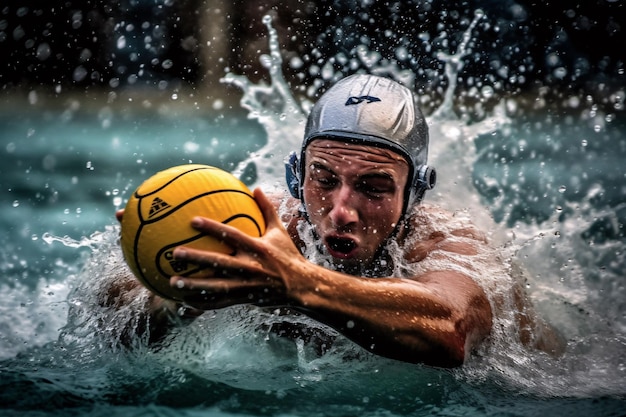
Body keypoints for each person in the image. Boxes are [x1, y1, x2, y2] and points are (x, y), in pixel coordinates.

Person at [105, 74, 564, 367]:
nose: (341, 210)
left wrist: (300, 285)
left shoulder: (449, 246)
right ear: (295, 175)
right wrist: (176, 294)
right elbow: (109, 316)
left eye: (374, 187)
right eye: (322, 178)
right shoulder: (270, 231)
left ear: (414, 194)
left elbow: (452, 330)